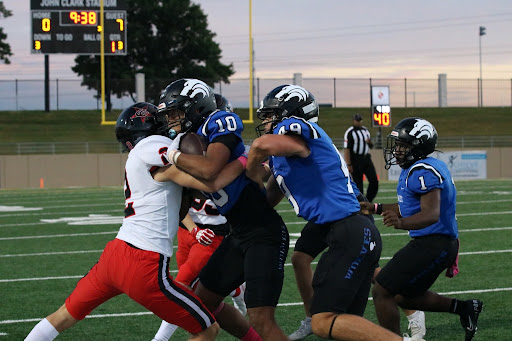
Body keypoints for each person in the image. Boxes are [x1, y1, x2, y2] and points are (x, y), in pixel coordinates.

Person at [24, 102, 249, 341]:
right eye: (164, 119)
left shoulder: (141, 159)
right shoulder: (151, 145)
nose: (170, 123)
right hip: (144, 262)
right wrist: (242, 158)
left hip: (115, 255)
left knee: (63, 317)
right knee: (207, 328)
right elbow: (201, 169)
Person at [246, 84, 419, 341]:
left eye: (272, 114)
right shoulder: (285, 155)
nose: (267, 120)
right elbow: (266, 199)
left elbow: (261, 145)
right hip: (343, 227)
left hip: (348, 228)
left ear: (290, 114)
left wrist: (249, 170)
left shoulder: (300, 132)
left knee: (323, 322)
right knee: (341, 325)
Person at [156, 78, 289, 341]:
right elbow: (192, 190)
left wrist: (172, 158)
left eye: (176, 111)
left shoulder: (220, 121)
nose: (171, 119)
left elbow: (209, 170)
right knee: (203, 301)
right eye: (168, 114)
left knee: (261, 317)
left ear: (195, 107)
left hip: (265, 233)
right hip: (237, 234)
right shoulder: (186, 138)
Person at [360, 117, 483, 341]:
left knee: (381, 290)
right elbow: (409, 206)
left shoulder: (422, 171)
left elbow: (431, 213)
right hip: (435, 243)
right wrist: (376, 208)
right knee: (404, 297)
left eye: (403, 146)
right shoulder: (419, 168)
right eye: (397, 145)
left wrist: (401, 223)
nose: (397, 151)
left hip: (434, 243)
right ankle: (464, 308)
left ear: (419, 147)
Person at [151, 95, 247, 341]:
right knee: (193, 286)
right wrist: (192, 228)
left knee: (180, 286)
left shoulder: (231, 156)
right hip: (189, 230)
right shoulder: (183, 144)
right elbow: (179, 201)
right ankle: (237, 289)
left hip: (213, 233)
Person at [343, 113, 379, 202]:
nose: (358, 122)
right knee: (359, 185)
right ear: (353, 121)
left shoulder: (366, 131)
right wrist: (348, 164)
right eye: (356, 120)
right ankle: (361, 204)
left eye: (359, 120)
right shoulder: (350, 132)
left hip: (366, 158)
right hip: (356, 160)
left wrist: (369, 142)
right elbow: (347, 149)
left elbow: (371, 146)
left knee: (374, 181)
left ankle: (368, 201)